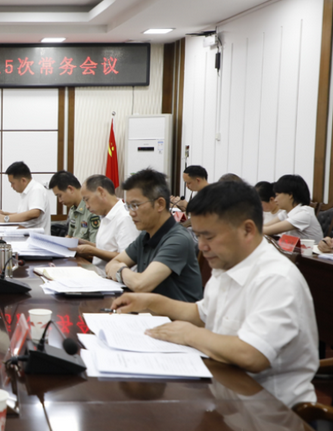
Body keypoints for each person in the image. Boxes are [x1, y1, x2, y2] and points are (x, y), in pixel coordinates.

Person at [111, 181, 318, 408]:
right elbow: (202, 314)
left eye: (209, 237)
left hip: (272, 410)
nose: (201, 246)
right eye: (198, 236)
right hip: (228, 395)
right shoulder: (227, 264)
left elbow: (252, 355)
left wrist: (190, 335)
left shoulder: (276, 278)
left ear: (247, 230)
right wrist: (151, 301)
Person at [106, 168, 203, 302]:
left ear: (160, 204)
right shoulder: (146, 235)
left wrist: (120, 270)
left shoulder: (178, 239)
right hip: (148, 310)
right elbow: (112, 264)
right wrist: (121, 270)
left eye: (135, 205)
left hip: (174, 315)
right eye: (128, 206)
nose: (131, 213)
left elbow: (141, 285)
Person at [72, 175, 139, 275]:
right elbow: (108, 248)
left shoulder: (124, 217)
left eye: (87, 199)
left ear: (101, 192)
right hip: (100, 274)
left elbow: (128, 257)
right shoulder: (105, 215)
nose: (87, 206)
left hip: (115, 279)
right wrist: (86, 243)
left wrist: (92, 251)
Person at [0, 162, 51, 233]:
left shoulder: (36, 189)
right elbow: (22, 214)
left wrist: (6, 219)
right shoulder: (26, 192)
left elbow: (34, 213)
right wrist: (4, 214)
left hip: (37, 238)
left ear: (23, 180)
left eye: (12, 183)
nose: (11, 186)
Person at [262, 175, 323, 241]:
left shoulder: (304, 214)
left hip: (311, 248)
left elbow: (267, 230)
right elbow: (265, 226)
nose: (275, 200)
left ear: (290, 195)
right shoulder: (285, 213)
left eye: (277, 195)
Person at [47, 170, 98, 242]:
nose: (60, 200)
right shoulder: (73, 209)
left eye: (60, 195)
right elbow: (70, 235)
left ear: (70, 189)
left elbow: (96, 246)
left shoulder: (92, 209)